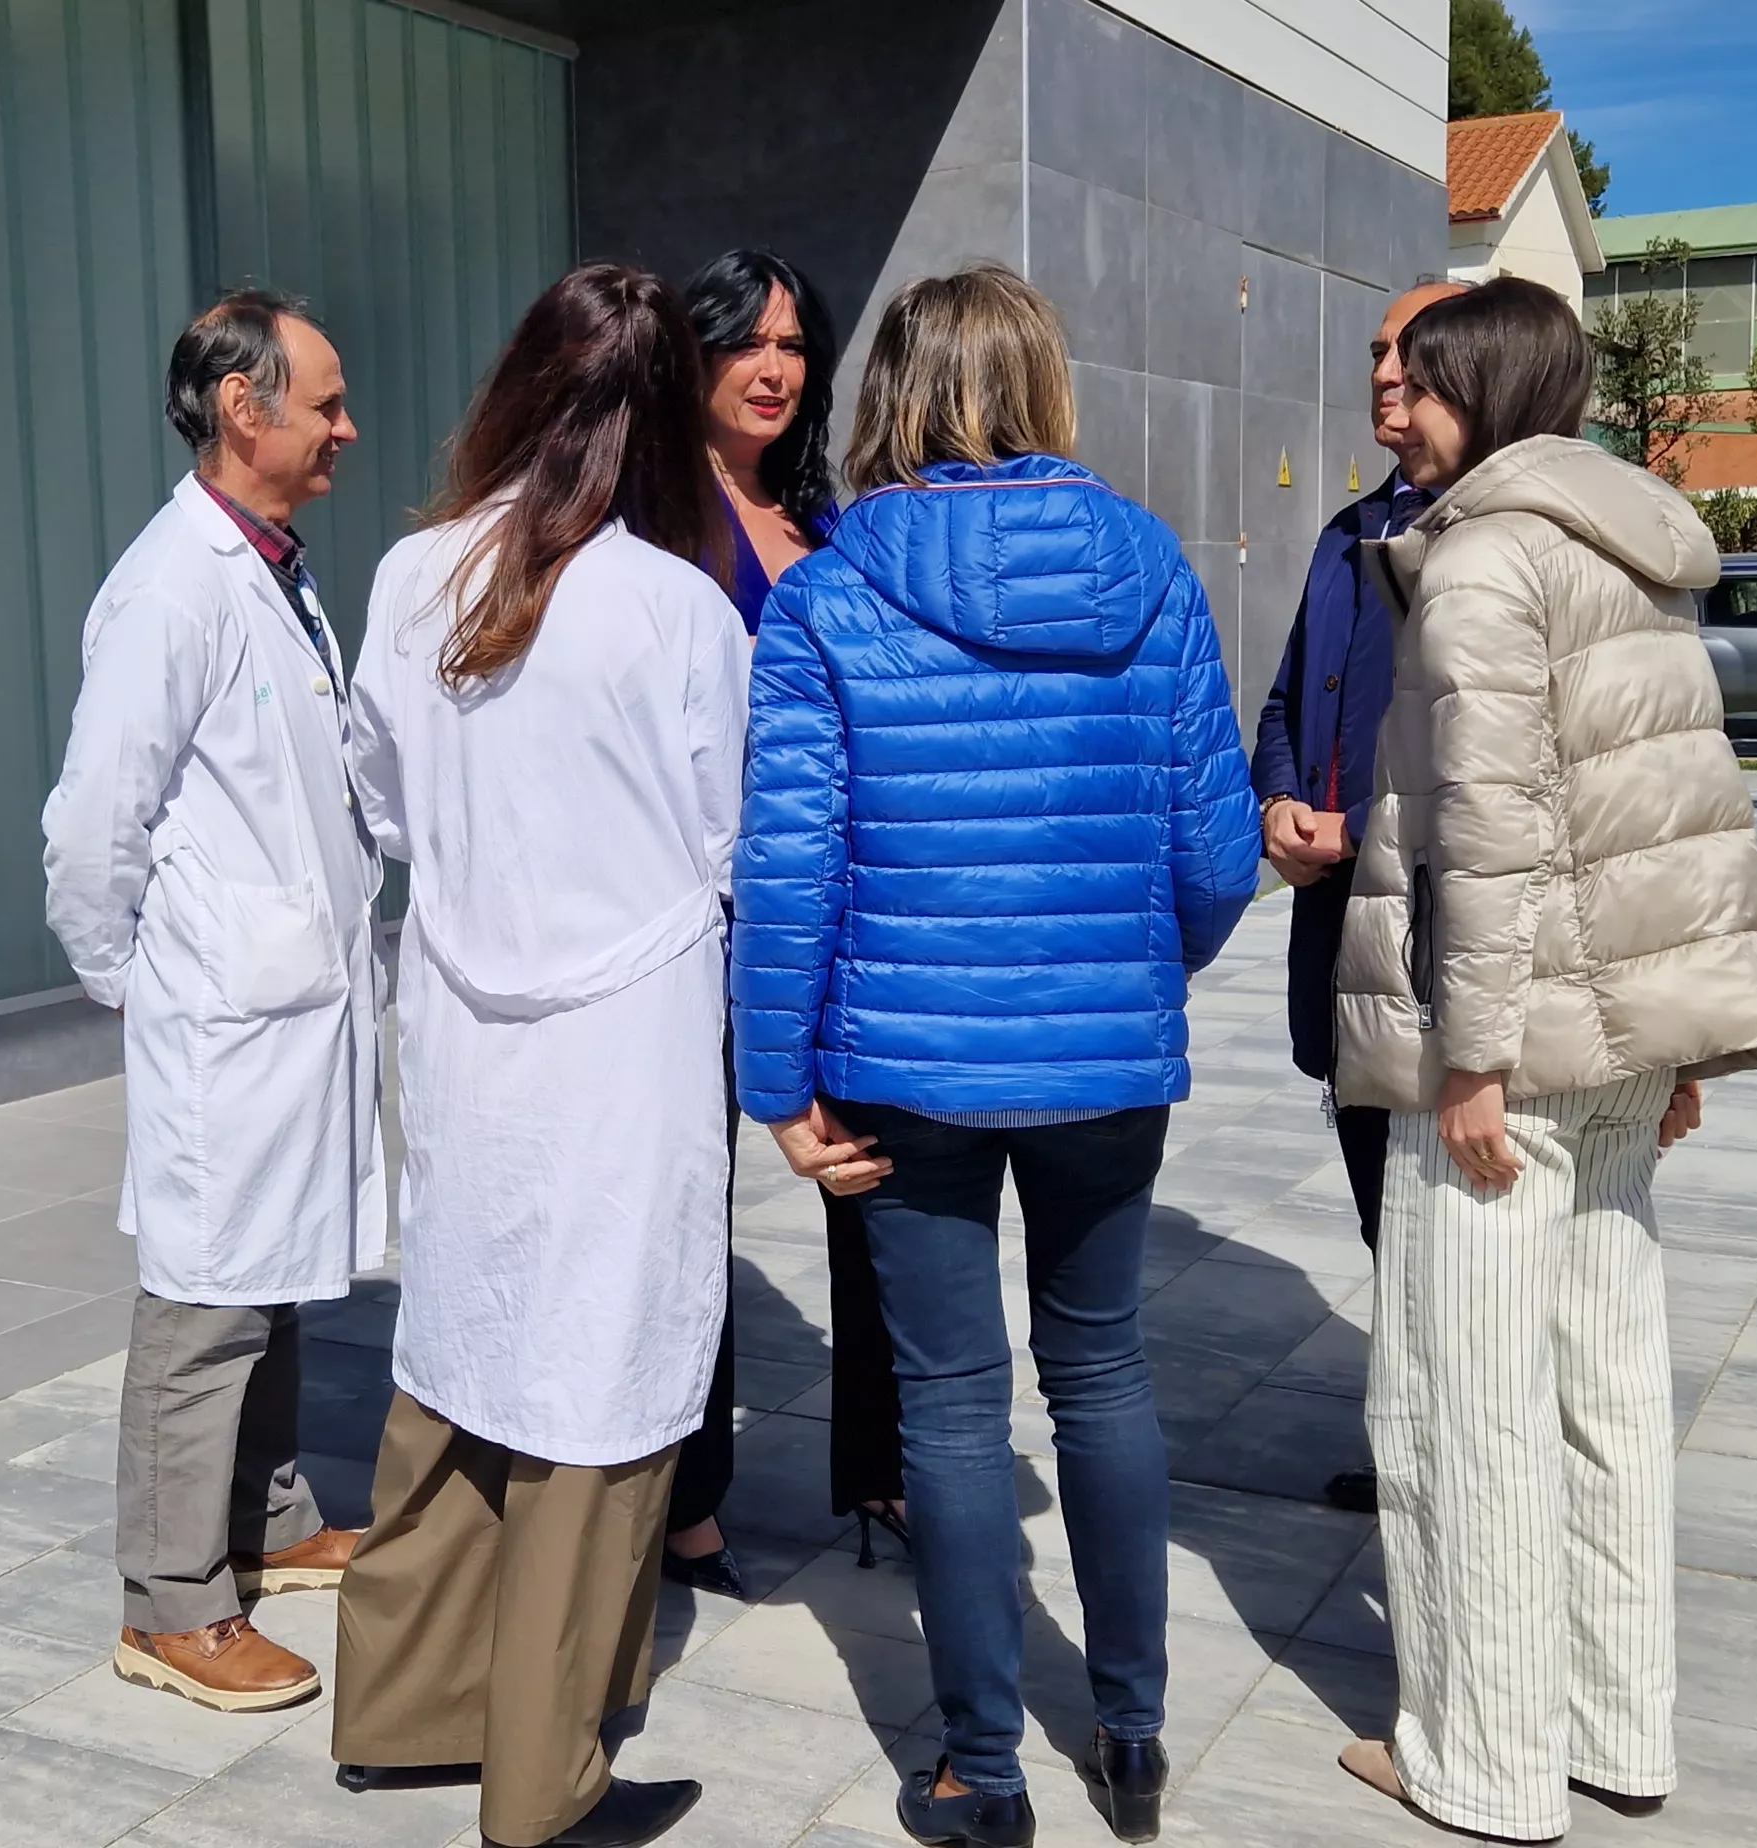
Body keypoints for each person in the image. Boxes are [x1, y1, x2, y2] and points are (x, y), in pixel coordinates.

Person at [736, 264, 1254, 1848]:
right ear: (1043, 387)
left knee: (955, 1410)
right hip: (1106, 1063)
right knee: (1103, 1375)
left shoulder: (829, 592)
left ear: (891, 392)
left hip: (905, 1068)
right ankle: (1137, 1731)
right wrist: (1137, 967)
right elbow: (1217, 849)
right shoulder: (1152, 567)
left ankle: (983, 1768)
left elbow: (790, 866)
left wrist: (778, 1081)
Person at [1329, 276, 1757, 1843]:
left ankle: (1484, 1762)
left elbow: (1494, 832)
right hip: (1611, 1050)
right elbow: (1672, 812)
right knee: (1606, 1394)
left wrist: (1465, 1056)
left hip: (1510, 1056)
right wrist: (1673, 1050)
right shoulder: (1635, 547)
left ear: (1482, 385)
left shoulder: (1481, 561)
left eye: (1422, 378)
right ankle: (1618, 1731)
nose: (1399, 402)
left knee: (1458, 1405)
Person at [327, 262, 741, 1848]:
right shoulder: (678, 609)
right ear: (659, 423)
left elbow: (377, 799)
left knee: (461, 1349)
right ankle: (542, 1775)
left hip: (464, 1028)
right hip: (622, 1048)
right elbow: (730, 837)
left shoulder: (409, 572)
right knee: (598, 1386)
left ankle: (410, 1708)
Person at [40, 289, 380, 1714]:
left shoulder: (271, 565)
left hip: (286, 1001)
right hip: (222, 1012)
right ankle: (172, 1604)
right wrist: (135, 979)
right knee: (206, 1303)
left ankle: (271, 1521)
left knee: (276, 1273)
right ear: (248, 409)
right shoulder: (172, 587)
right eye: (328, 403)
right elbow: (89, 828)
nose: (349, 429)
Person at [658, 248, 905, 1604]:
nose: (773, 369)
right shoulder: (641, 525)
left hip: (836, 911)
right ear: (685, 359)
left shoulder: (834, 525)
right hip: (696, 924)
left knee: (872, 1190)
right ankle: (686, 1506)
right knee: (690, 1208)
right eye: (744, 342)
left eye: (796, 346)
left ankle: (885, 1469)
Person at [1254, 277, 1464, 1516]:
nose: (1385, 375)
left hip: (1444, 936)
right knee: (1383, 1199)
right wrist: (1281, 806)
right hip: (1337, 924)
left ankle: (1459, 1454)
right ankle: (1416, 1441)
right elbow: (1288, 701)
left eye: (1414, 357)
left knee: (1454, 1226)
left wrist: (1361, 823)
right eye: (1378, 353)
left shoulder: (1497, 541)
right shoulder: (1347, 534)